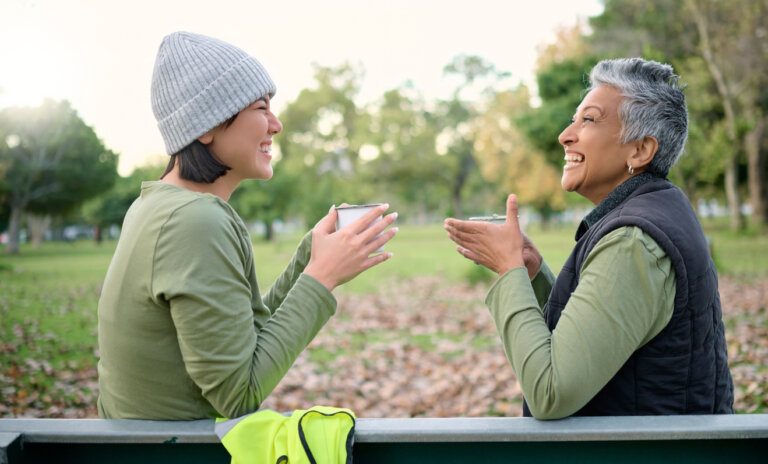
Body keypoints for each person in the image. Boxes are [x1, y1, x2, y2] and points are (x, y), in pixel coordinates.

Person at [97, 31, 398, 420]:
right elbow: (239, 394)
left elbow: (242, 340)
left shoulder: (154, 205)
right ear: (204, 125)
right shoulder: (196, 221)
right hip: (177, 448)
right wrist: (322, 277)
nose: (276, 124)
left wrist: (308, 261)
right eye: (261, 107)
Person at [444, 58, 734, 419]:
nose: (565, 135)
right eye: (574, 119)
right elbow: (595, 339)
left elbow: (551, 393)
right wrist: (532, 273)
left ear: (640, 150)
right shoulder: (653, 212)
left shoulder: (633, 243)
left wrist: (509, 270)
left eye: (589, 120)